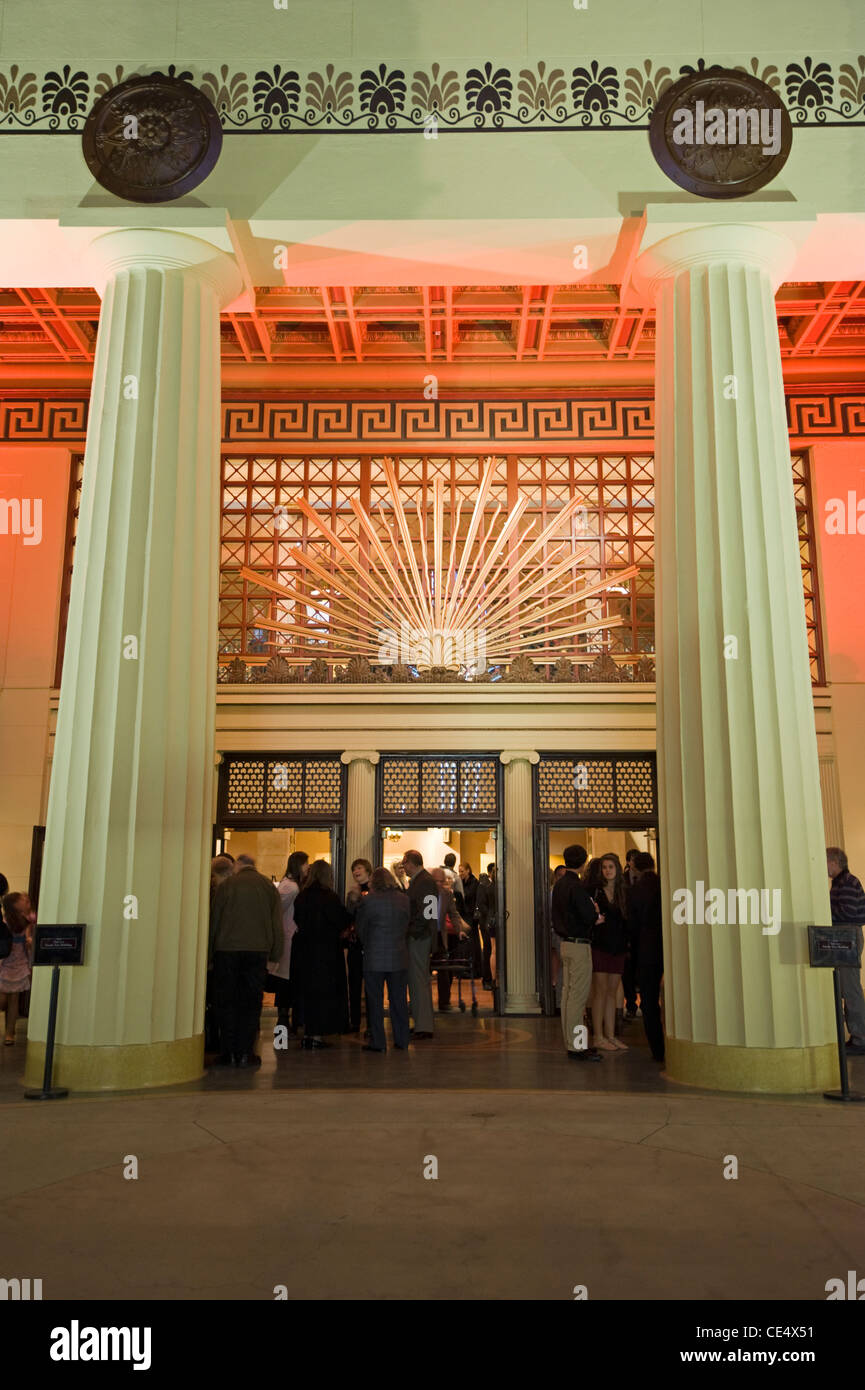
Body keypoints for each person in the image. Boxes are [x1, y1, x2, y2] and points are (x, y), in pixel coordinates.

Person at [209, 857, 284, 1068]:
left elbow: (215, 919)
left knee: (227, 1001)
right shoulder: (267, 886)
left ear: (237, 866)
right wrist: (275, 955)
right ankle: (245, 1053)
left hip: (226, 950)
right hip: (257, 951)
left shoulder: (227, 885)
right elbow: (276, 922)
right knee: (251, 1003)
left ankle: (228, 1053)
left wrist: (209, 954)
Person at [292, 860, 350, 1049]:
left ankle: (308, 1032)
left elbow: (297, 919)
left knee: (307, 993)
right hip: (326, 953)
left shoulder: (302, 896)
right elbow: (341, 920)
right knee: (324, 995)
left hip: (304, 952)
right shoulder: (329, 897)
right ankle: (317, 1035)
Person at [551, 846, 601, 1062]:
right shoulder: (577, 886)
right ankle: (577, 1046)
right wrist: (596, 913)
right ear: (583, 862)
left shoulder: (559, 885)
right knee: (578, 999)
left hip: (564, 944)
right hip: (580, 945)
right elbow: (589, 915)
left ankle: (572, 1043)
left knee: (567, 996)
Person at [355, 867, 411, 1052]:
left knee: (375, 1002)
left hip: (374, 958)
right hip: (398, 956)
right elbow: (406, 925)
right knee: (399, 1001)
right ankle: (402, 1040)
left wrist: (368, 943)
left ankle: (378, 1042)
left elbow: (361, 928)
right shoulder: (404, 900)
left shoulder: (368, 901)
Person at [585, 854, 630, 1052]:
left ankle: (610, 1035)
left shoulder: (623, 892)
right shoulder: (596, 892)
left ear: (617, 869)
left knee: (612, 991)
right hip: (600, 945)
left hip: (618, 945)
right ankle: (598, 1036)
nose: (607, 870)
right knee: (600, 991)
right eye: (604, 867)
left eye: (611, 866)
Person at [827, 847, 865, 1055]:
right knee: (845, 987)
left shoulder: (848, 882)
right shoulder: (841, 883)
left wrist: (823, 908)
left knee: (850, 988)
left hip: (847, 935)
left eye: (826, 862)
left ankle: (861, 1038)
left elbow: (847, 912)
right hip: (843, 936)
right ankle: (856, 1035)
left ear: (834, 861)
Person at [268, 850, 308, 1038]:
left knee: (286, 983)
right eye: (306, 864)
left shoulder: (290, 885)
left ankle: (285, 1027)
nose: (308, 867)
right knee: (285, 983)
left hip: (289, 938)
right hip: (288, 939)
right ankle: (282, 1028)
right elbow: (276, 911)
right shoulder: (290, 887)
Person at [629, 852, 665, 1062]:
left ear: (634, 867)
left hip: (646, 951)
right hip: (669, 948)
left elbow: (633, 926)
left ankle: (658, 1049)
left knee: (649, 1001)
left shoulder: (635, 891)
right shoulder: (666, 884)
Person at [402, 850, 439, 1039]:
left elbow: (428, 913)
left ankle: (423, 1026)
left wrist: (413, 932)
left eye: (404, 863)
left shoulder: (423, 882)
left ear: (412, 863)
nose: (403, 867)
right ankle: (421, 1024)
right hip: (420, 936)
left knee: (418, 981)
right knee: (417, 981)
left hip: (419, 938)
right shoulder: (423, 881)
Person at [205, 856, 236, 1054]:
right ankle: (224, 1042)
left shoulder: (213, 892)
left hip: (217, 953)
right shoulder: (230, 893)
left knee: (215, 1001)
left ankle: (214, 1042)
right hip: (226, 953)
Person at [431, 866, 471, 1011]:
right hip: (425, 937)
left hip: (441, 936)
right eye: (436, 881)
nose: (440, 884)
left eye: (442, 881)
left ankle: (444, 1002)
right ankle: (420, 1002)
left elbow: (454, 914)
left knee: (443, 968)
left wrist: (459, 930)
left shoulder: (447, 894)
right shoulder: (425, 893)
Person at [0, 892, 35, 1045]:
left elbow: (30, 941)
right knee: (2, 999)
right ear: (14, 906)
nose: (26, 901)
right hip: (4, 962)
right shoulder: (5, 921)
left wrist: (29, 941)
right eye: (22, 900)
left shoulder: (28, 921)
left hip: (19, 963)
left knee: (14, 999)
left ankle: (10, 1032)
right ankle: (8, 1029)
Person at [345, 857, 372, 1034]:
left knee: (371, 986)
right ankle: (354, 1022)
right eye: (354, 869)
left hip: (370, 945)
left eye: (359, 868)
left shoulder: (376, 891)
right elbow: (349, 917)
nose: (356, 871)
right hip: (355, 944)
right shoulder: (352, 893)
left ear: (367, 870)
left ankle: (371, 1023)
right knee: (354, 985)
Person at [622, 849, 641, 1019]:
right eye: (633, 860)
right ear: (628, 862)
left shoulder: (647, 880)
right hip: (627, 933)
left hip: (642, 935)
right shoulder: (622, 881)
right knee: (627, 972)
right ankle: (631, 1004)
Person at [476, 862, 498, 988]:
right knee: (490, 950)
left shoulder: (487, 886)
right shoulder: (486, 886)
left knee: (491, 950)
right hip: (487, 922)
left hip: (488, 921)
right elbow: (481, 905)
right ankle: (488, 979)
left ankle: (491, 979)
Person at [458, 861, 481, 977]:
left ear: (468, 870)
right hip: (464, 915)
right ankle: (465, 969)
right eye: (459, 871)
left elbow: (467, 896)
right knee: (465, 943)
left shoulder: (474, 883)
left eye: (462, 871)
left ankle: (474, 969)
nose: (460, 873)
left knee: (472, 942)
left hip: (471, 916)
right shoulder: (462, 882)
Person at [550, 864, 567, 1000]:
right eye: (560, 875)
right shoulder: (551, 892)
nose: (562, 878)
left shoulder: (567, 892)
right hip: (554, 932)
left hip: (562, 933)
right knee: (555, 961)